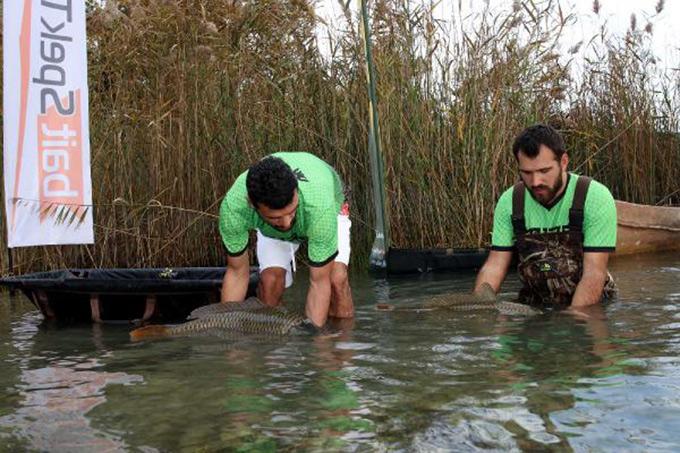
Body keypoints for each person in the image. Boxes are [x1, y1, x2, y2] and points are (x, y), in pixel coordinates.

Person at [474, 124, 617, 309]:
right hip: (535, 305)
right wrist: (479, 309)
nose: (535, 182)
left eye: (544, 171)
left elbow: (594, 274)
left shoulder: (595, 196)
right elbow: (495, 265)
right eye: (526, 173)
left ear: (563, 162)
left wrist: (573, 321)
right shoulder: (510, 201)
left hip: (592, 305)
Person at [218, 152, 353, 327]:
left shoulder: (321, 208)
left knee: (336, 280)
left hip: (325, 210)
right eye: (276, 218)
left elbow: (319, 282)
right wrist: (226, 337)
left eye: (291, 212)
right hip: (273, 227)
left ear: (296, 191)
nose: (287, 223)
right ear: (252, 204)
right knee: (270, 283)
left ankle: (342, 345)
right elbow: (237, 273)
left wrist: (316, 346)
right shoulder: (234, 208)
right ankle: (276, 349)